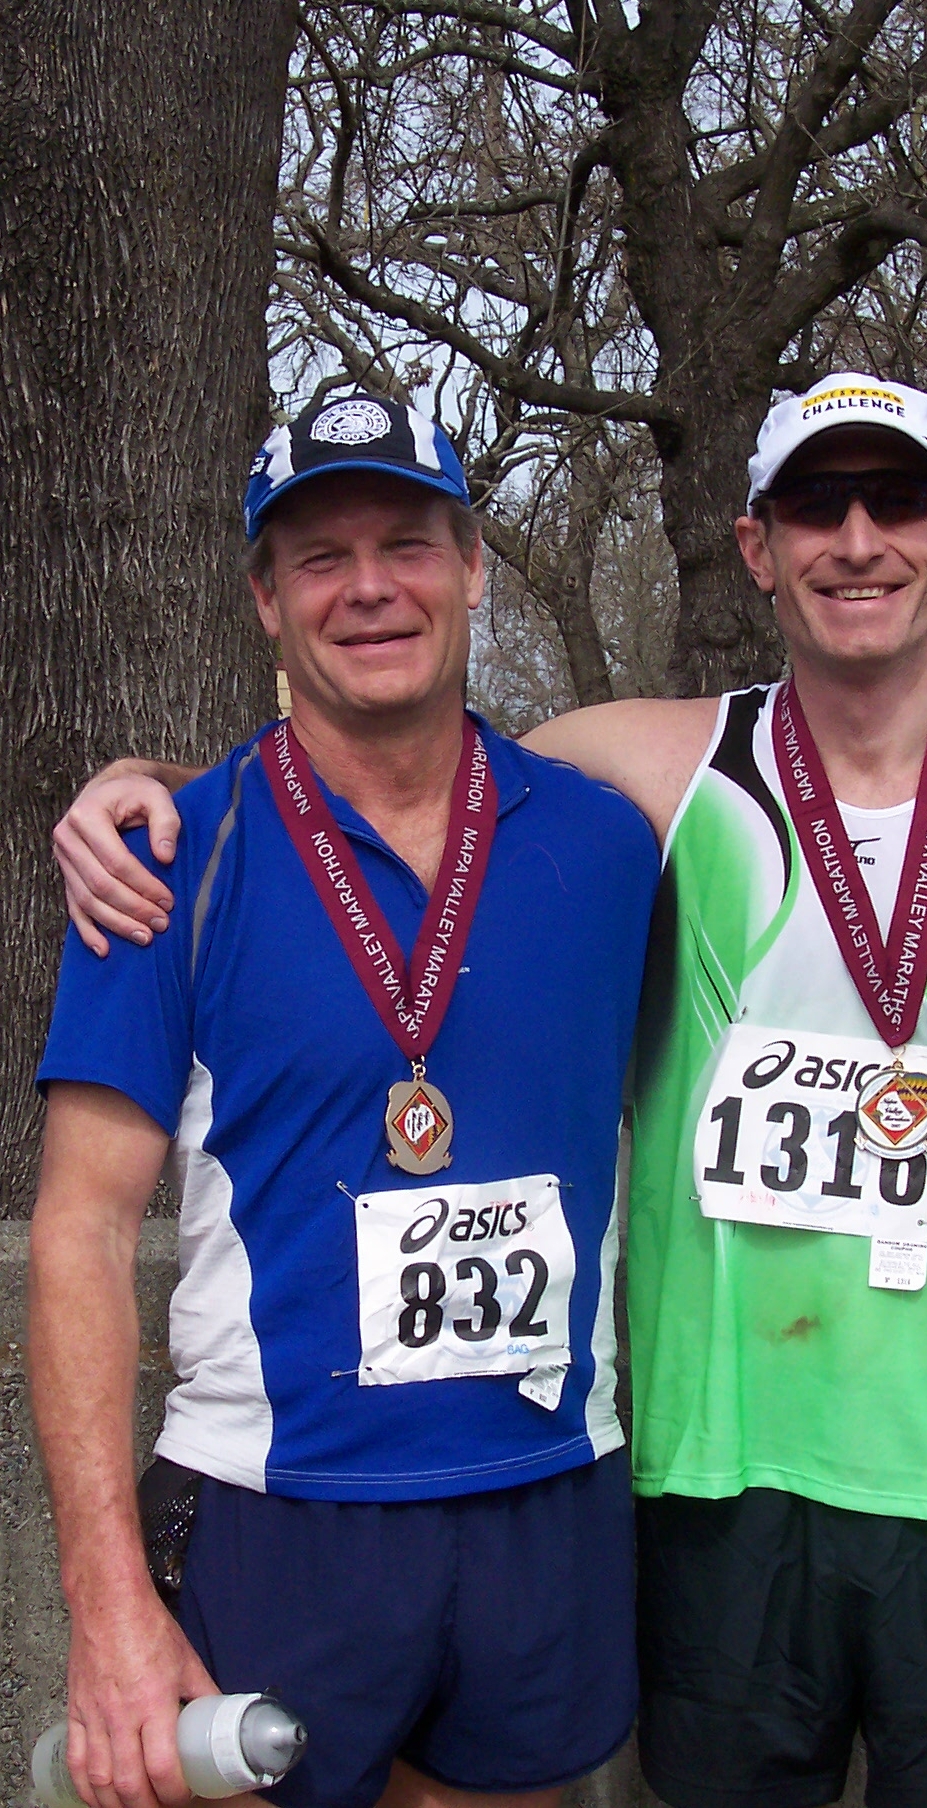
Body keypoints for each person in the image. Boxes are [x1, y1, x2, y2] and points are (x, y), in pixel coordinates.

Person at [54, 372, 927, 1808]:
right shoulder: (653, 776)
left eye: (898, 500)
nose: (857, 538)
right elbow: (376, 770)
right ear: (756, 545)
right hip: (713, 1495)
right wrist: (144, 793)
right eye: (814, 505)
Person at [31, 392, 660, 1808]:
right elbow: (80, 1233)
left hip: (547, 1491)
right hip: (278, 1508)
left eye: (408, 545)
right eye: (320, 557)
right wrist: (106, 1599)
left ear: (474, 567)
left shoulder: (611, 841)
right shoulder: (162, 866)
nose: (369, 587)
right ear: (267, 599)